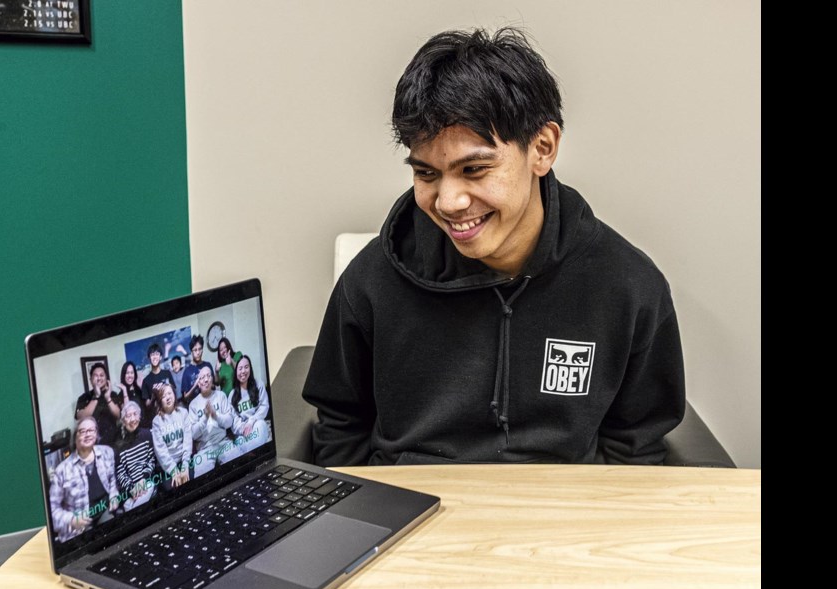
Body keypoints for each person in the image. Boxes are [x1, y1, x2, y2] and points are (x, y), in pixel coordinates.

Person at [302, 27, 685, 467]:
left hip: (561, 518)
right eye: (426, 174)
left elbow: (635, 447)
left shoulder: (628, 286)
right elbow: (340, 429)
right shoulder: (372, 280)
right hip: (408, 512)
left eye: (475, 169)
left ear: (542, 148)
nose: (448, 202)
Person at [48, 417, 120, 543]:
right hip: (78, 529)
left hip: (104, 515)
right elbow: (52, 511)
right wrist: (71, 520)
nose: (87, 434)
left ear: (96, 434)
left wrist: (114, 495)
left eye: (91, 430)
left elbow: (112, 480)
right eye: (82, 431)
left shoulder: (107, 453)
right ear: (75, 437)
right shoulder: (62, 470)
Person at [186, 364, 238, 476]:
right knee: (202, 480)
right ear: (198, 383)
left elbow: (229, 422)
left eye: (208, 376)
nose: (205, 380)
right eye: (202, 378)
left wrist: (216, 416)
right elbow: (193, 435)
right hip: (204, 449)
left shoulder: (221, 396)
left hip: (223, 442)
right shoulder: (193, 405)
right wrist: (205, 418)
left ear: (212, 379)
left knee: (240, 465)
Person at [113, 400, 157, 511]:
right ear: (123, 421)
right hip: (131, 490)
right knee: (130, 502)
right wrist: (131, 488)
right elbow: (121, 472)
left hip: (147, 482)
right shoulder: (118, 445)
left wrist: (144, 478)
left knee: (149, 487)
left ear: (139, 416)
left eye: (135, 414)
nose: (132, 419)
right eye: (128, 416)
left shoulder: (147, 434)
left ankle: (133, 508)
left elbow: (151, 460)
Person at [149, 384, 192, 488]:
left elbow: (187, 441)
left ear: (174, 394)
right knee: (173, 487)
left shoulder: (183, 413)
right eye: (163, 396)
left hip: (184, 460)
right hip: (167, 466)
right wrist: (173, 471)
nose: (168, 397)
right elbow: (160, 451)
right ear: (160, 400)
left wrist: (185, 466)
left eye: (169, 393)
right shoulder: (157, 422)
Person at [74, 362, 123, 446]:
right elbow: (80, 418)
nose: (99, 378)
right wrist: (96, 396)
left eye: (102, 375)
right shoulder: (83, 397)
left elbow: (118, 415)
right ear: (91, 380)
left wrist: (108, 398)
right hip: (93, 445)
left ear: (106, 378)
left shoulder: (113, 395)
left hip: (113, 442)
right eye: (96, 376)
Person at [228, 355, 271, 452]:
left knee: (261, 425)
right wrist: (242, 428)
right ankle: (253, 453)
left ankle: (252, 452)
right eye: (240, 368)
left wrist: (251, 422)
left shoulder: (258, 384)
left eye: (246, 367)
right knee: (240, 442)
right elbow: (233, 419)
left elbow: (264, 406)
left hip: (256, 423)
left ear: (250, 369)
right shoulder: (232, 395)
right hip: (242, 431)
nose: (243, 371)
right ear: (236, 372)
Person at [141, 343, 175, 429]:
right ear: (149, 358)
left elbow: (174, 393)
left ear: (160, 357)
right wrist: (153, 396)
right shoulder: (146, 381)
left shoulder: (167, 373)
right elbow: (147, 405)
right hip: (157, 419)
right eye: (152, 355)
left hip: (171, 415)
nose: (155, 357)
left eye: (157, 354)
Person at [180, 334, 211, 406]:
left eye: (200, 349)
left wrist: (206, 381)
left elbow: (214, 387)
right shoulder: (187, 371)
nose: (198, 352)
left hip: (209, 404)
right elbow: (185, 397)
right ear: (191, 352)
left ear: (202, 350)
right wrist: (196, 385)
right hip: (196, 408)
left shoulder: (207, 366)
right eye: (195, 350)